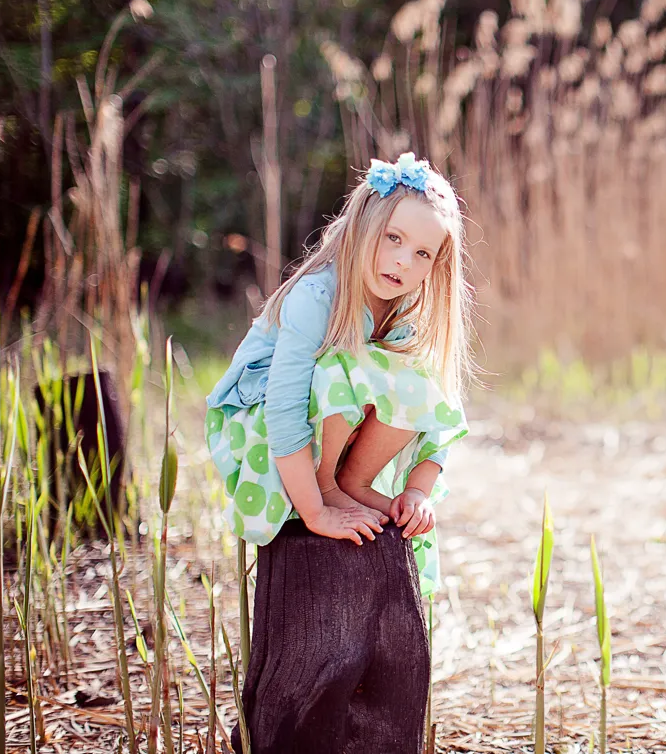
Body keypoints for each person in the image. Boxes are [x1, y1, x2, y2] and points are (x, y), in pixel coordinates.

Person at [203, 152, 476, 753]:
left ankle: (353, 480)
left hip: (319, 443)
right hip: (264, 440)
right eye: (393, 238)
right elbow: (281, 409)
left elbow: (438, 415)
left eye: (423, 253)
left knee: (414, 379)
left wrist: (419, 491)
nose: (403, 261)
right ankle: (334, 487)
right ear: (361, 230)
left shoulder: (406, 312)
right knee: (342, 370)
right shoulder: (317, 295)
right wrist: (317, 507)